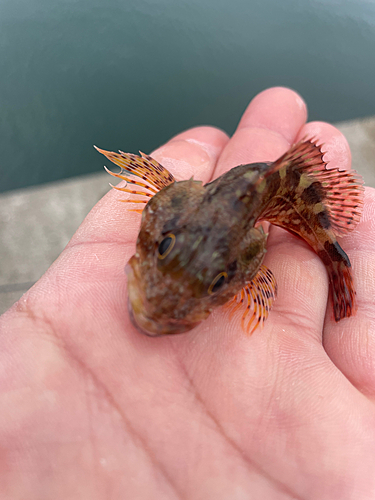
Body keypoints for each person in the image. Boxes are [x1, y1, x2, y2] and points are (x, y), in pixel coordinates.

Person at [1, 87, 374, 499]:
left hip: (289, 200)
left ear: (248, 263)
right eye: (165, 248)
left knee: (327, 249)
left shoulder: (243, 246)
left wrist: (330, 254)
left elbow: (235, 245)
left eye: (215, 283)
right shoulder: (179, 207)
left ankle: (327, 258)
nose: (159, 307)